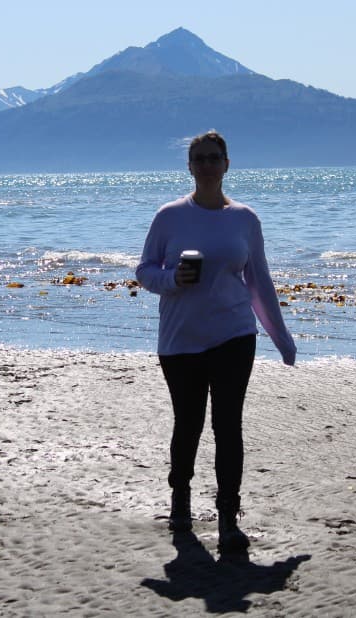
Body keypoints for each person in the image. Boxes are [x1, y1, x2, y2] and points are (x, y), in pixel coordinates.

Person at [136, 130, 296, 555]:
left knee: (228, 426)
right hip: (180, 339)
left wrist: (282, 339)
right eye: (199, 159)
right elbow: (144, 271)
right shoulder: (169, 216)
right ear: (189, 167)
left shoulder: (245, 219)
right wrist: (173, 279)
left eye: (214, 158)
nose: (207, 165)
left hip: (234, 336)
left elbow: (259, 282)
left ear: (227, 164)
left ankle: (228, 516)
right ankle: (181, 501)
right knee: (187, 424)